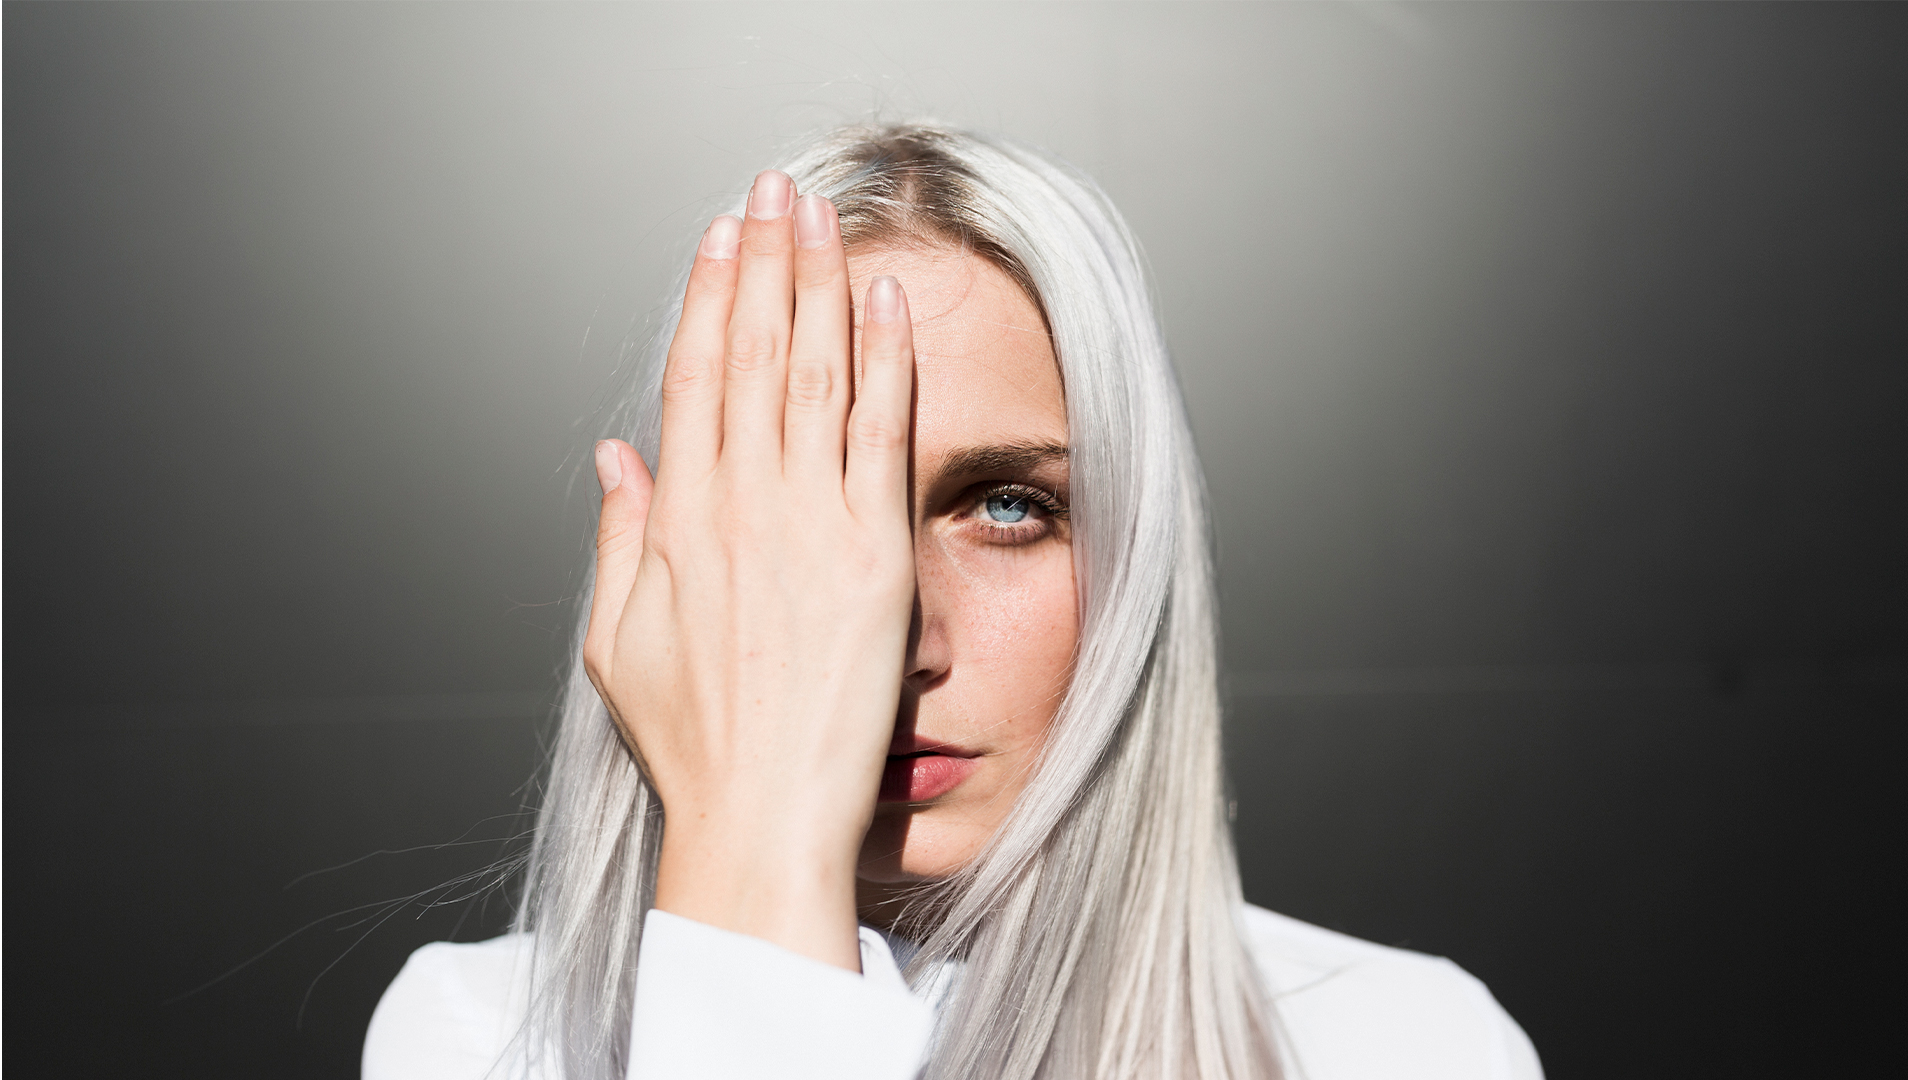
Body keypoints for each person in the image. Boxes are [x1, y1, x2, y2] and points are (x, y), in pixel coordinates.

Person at [362, 124, 1542, 1080]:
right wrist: (753, 850)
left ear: (1141, 560)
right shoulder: (478, 1038)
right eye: (820, 510)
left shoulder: (1410, 1048)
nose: (900, 637)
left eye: (1010, 507)